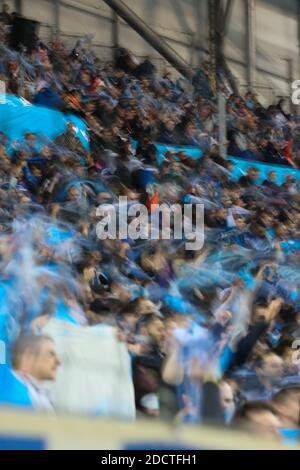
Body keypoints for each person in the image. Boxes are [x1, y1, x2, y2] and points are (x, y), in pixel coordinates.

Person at [11, 334, 60, 412]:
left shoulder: (42, 395)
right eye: (51, 354)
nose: (58, 361)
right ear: (28, 356)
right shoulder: (12, 392)